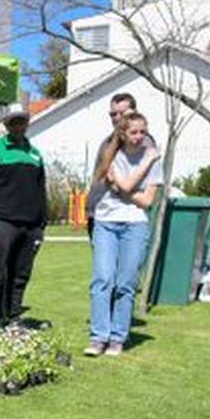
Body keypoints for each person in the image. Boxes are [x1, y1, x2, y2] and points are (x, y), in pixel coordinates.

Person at [86, 111, 162, 357]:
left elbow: (147, 201)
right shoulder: (112, 157)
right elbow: (130, 188)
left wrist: (124, 190)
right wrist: (147, 161)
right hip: (106, 222)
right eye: (134, 132)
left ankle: (118, 337)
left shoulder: (154, 163)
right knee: (102, 280)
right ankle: (99, 337)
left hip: (135, 225)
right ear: (123, 134)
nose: (139, 137)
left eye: (143, 132)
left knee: (126, 284)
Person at [0, 105, 47, 326]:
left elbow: (41, 189)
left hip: (31, 226)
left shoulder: (35, 154)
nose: (18, 126)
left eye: (21, 121)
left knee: (21, 274)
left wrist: (41, 225)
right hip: (3, 222)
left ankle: (13, 316)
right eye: (13, 122)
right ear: (6, 124)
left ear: (26, 123)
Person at [87, 93, 157, 237]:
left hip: (126, 217)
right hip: (99, 214)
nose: (117, 117)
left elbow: (140, 184)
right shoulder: (107, 143)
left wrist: (118, 187)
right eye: (113, 114)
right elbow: (99, 176)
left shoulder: (143, 142)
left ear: (133, 113)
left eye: (122, 113)